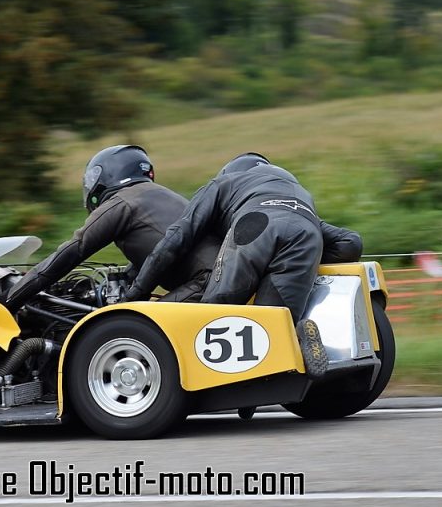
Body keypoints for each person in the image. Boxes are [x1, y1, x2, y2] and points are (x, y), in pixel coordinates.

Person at [125, 152, 363, 378]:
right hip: (307, 235)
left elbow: (177, 237)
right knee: (274, 327)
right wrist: (305, 263)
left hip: (253, 224)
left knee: (215, 317)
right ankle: (300, 336)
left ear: (230, 171)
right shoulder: (299, 193)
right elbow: (350, 244)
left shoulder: (224, 183)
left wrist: (137, 292)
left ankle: (222, 387)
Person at [1, 145, 219, 313]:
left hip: (204, 283)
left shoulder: (122, 202)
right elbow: (151, 256)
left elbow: (70, 252)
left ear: (108, 173)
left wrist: (9, 299)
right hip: (220, 276)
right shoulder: (157, 195)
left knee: (132, 327)